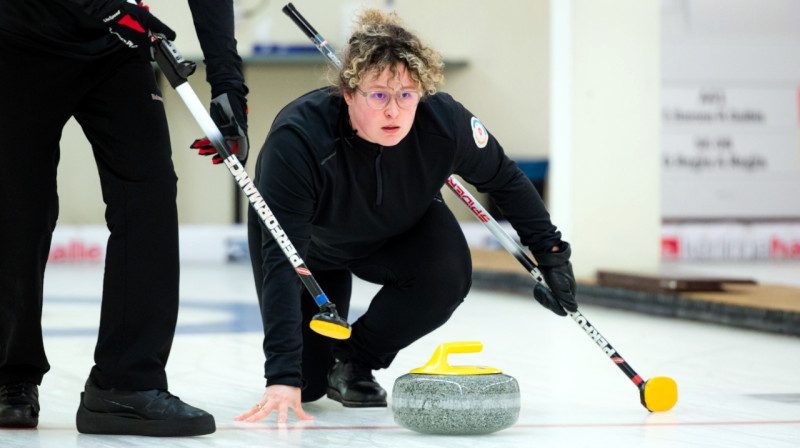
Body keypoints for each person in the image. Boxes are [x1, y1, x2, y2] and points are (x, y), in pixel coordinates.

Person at [232, 9, 577, 423]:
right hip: (310, 250)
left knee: (446, 273)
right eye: (378, 95)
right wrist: (282, 376)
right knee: (307, 384)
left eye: (406, 95)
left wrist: (551, 253)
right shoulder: (299, 138)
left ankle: (354, 360)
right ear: (348, 93)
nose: (394, 111)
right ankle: (314, 371)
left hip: (396, 231)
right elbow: (282, 262)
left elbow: (505, 179)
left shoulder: (444, 124)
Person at [0, 0, 248, 437]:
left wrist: (229, 84)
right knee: (18, 209)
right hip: (19, 37)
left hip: (115, 46)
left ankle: (126, 384)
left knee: (149, 196)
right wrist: (101, 5)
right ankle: (9, 374)